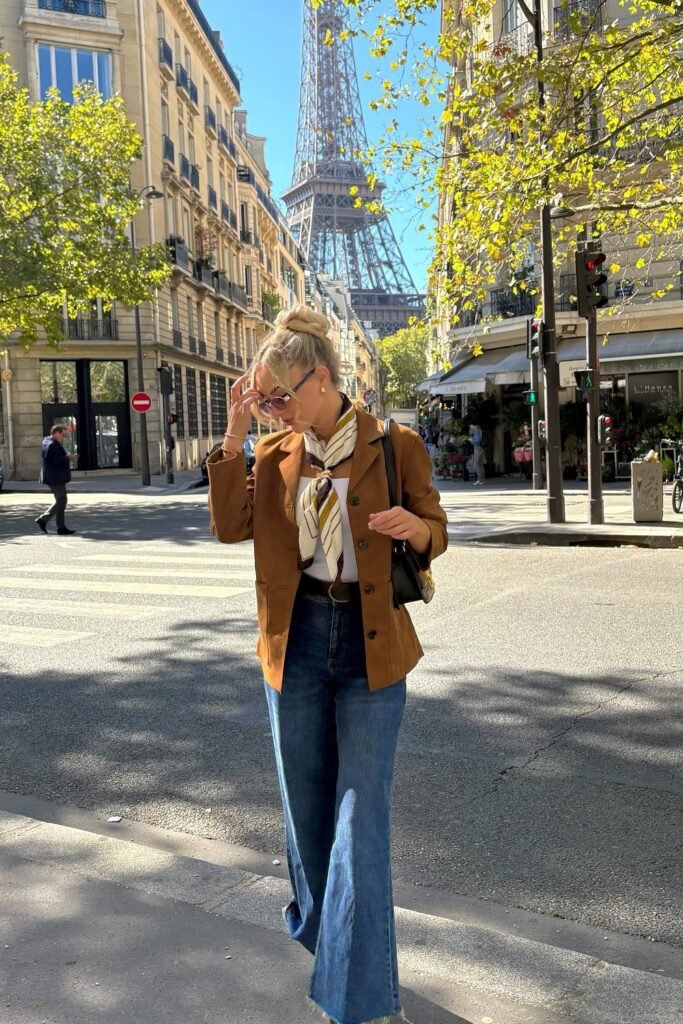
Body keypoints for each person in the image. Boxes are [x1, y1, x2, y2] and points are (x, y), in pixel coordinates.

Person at [207, 305, 448, 1024]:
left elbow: (436, 527)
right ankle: (338, 948)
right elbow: (228, 528)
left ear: (321, 378)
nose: (275, 409)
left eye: (279, 396)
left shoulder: (394, 444)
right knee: (305, 816)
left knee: (358, 819)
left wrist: (419, 531)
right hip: (298, 638)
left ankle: (359, 1000)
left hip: (373, 641)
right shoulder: (275, 451)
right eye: (266, 401)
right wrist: (236, 433)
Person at [35, 425, 76, 535]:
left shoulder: (48, 441)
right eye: (63, 434)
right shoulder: (51, 445)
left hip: (53, 477)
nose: (64, 437)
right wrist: (68, 458)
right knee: (62, 500)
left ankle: (60, 527)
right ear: (57, 433)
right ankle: (44, 519)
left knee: (61, 500)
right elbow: (54, 460)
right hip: (55, 477)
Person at [469, 419, 486, 486]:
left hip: (477, 448)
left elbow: (477, 440)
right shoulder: (479, 429)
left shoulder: (477, 430)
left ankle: (480, 479)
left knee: (477, 463)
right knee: (480, 464)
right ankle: (481, 479)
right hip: (480, 448)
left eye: (470, 426)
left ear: (474, 425)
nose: (470, 427)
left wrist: (471, 440)